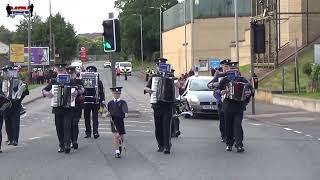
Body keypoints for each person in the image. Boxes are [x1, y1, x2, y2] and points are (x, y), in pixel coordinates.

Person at [215, 62, 254, 153]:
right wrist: (221, 92)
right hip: (227, 106)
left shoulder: (242, 79)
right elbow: (217, 90)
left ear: (237, 70)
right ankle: (229, 143)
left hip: (239, 106)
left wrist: (248, 93)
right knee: (228, 126)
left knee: (237, 125)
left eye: (234, 70)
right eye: (231, 70)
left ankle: (239, 145)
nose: (232, 72)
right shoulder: (225, 80)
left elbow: (251, 89)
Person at [42, 63, 80, 153]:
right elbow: (44, 90)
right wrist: (47, 94)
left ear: (65, 70)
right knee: (59, 127)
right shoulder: (53, 81)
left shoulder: (70, 80)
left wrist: (76, 92)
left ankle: (67, 145)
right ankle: (61, 145)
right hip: (57, 108)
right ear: (56, 71)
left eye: (62, 70)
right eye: (59, 70)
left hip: (68, 108)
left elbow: (79, 89)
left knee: (67, 126)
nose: (60, 72)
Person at [144, 58, 173, 154]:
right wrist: (149, 90)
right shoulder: (154, 77)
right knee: (158, 126)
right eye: (159, 66)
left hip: (168, 105)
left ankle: (167, 146)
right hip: (157, 106)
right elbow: (146, 87)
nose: (160, 68)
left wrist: (178, 86)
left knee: (166, 126)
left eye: (163, 66)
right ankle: (160, 144)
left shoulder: (171, 76)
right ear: (157, 67)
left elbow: (178, 88)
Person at [2, 66, 29, 146]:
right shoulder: (3, 83)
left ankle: (15, 139)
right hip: (6, 105)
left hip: (15, 104)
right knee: (7, 123)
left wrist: (20, 96)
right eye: (4, 73)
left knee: (15, 122)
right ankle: (10, 138)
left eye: (6, 73)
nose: (5, 74)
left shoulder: (18, 82)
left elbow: (25, 92)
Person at [210, 59, 231, 142]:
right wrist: (214, 84)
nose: (227, 68)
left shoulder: (235, 75)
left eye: (228, 66)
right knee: (222, 120)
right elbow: (209, 84)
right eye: (225, 66)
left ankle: (231, 136)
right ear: (222, 67)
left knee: (230, 120)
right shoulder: (219, 76)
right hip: (221, 102)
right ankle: (224, 136)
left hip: (231, 101)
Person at [83, 66, 105, 139]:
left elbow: (101, 92)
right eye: (89, 71)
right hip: (86, 101)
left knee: (95, 118)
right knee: (87, 118)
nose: (90, 73)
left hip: (95, 102)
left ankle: (95, 132)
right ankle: (88, 132)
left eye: (92, 71)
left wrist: (102, 101)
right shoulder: (84, 81)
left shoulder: (98, 82)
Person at [107, 87, 128, 158]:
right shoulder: (110, 103)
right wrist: (107, 114)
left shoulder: (123, 102)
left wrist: (125, 113)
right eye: (115, 93)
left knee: (120, 137)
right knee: (116, 136)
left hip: (120, 122)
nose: (116, 95)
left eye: (118, 93)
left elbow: (125, 112)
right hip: (113, 122)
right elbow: (107, 112)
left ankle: (119, 147)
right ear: (112, 93)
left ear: (120, 94)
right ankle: (117, 151)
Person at [66, 66, 84, 150]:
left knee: (75, 123)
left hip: (77, 106)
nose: (70, 75)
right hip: (67, 107)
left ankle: (74, 141)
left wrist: (78, 92)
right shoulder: (64, 81)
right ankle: (69, 141)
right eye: (69, 73)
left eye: (71, 73)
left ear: (74, 73)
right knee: (68, 125)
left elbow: (83, 90)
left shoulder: (79, 81)